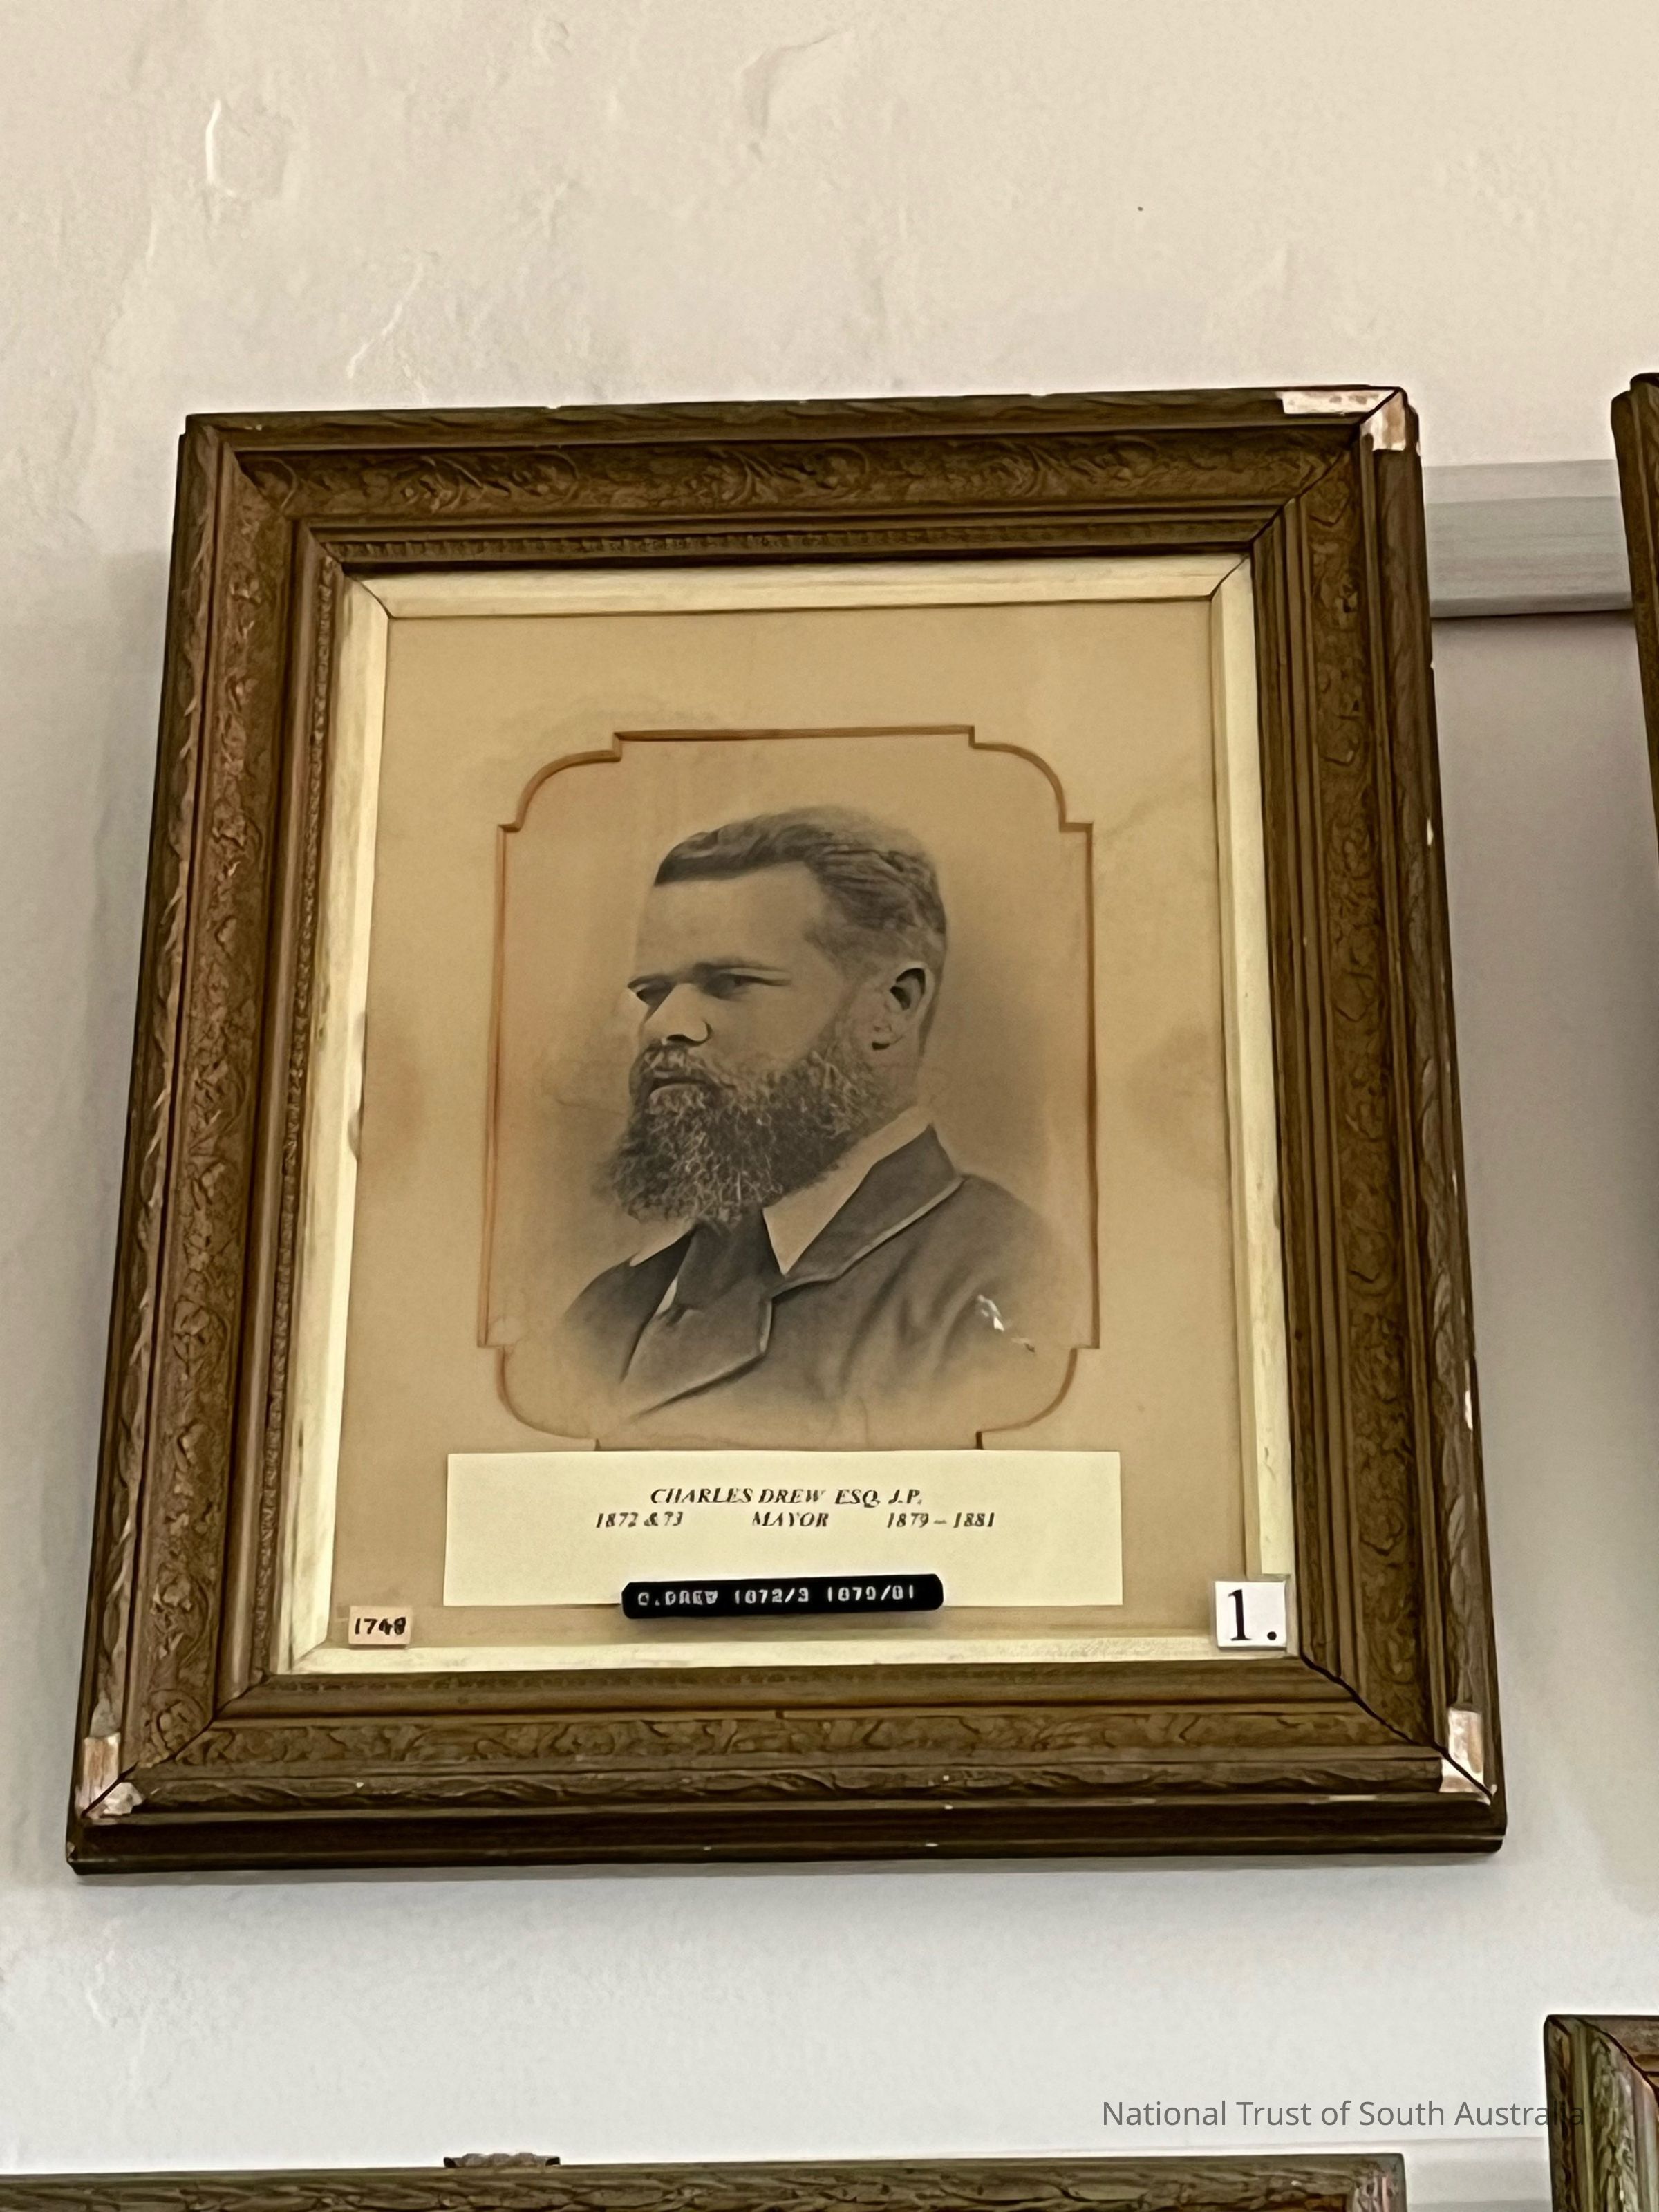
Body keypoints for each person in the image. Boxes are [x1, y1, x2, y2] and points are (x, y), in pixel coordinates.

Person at [527, 806, 1069, 1446]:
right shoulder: (606, 1308)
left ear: (892, 1006)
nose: (663, 1026)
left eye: (730, 983)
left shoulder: (1003, 1282)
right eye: (653, 994)